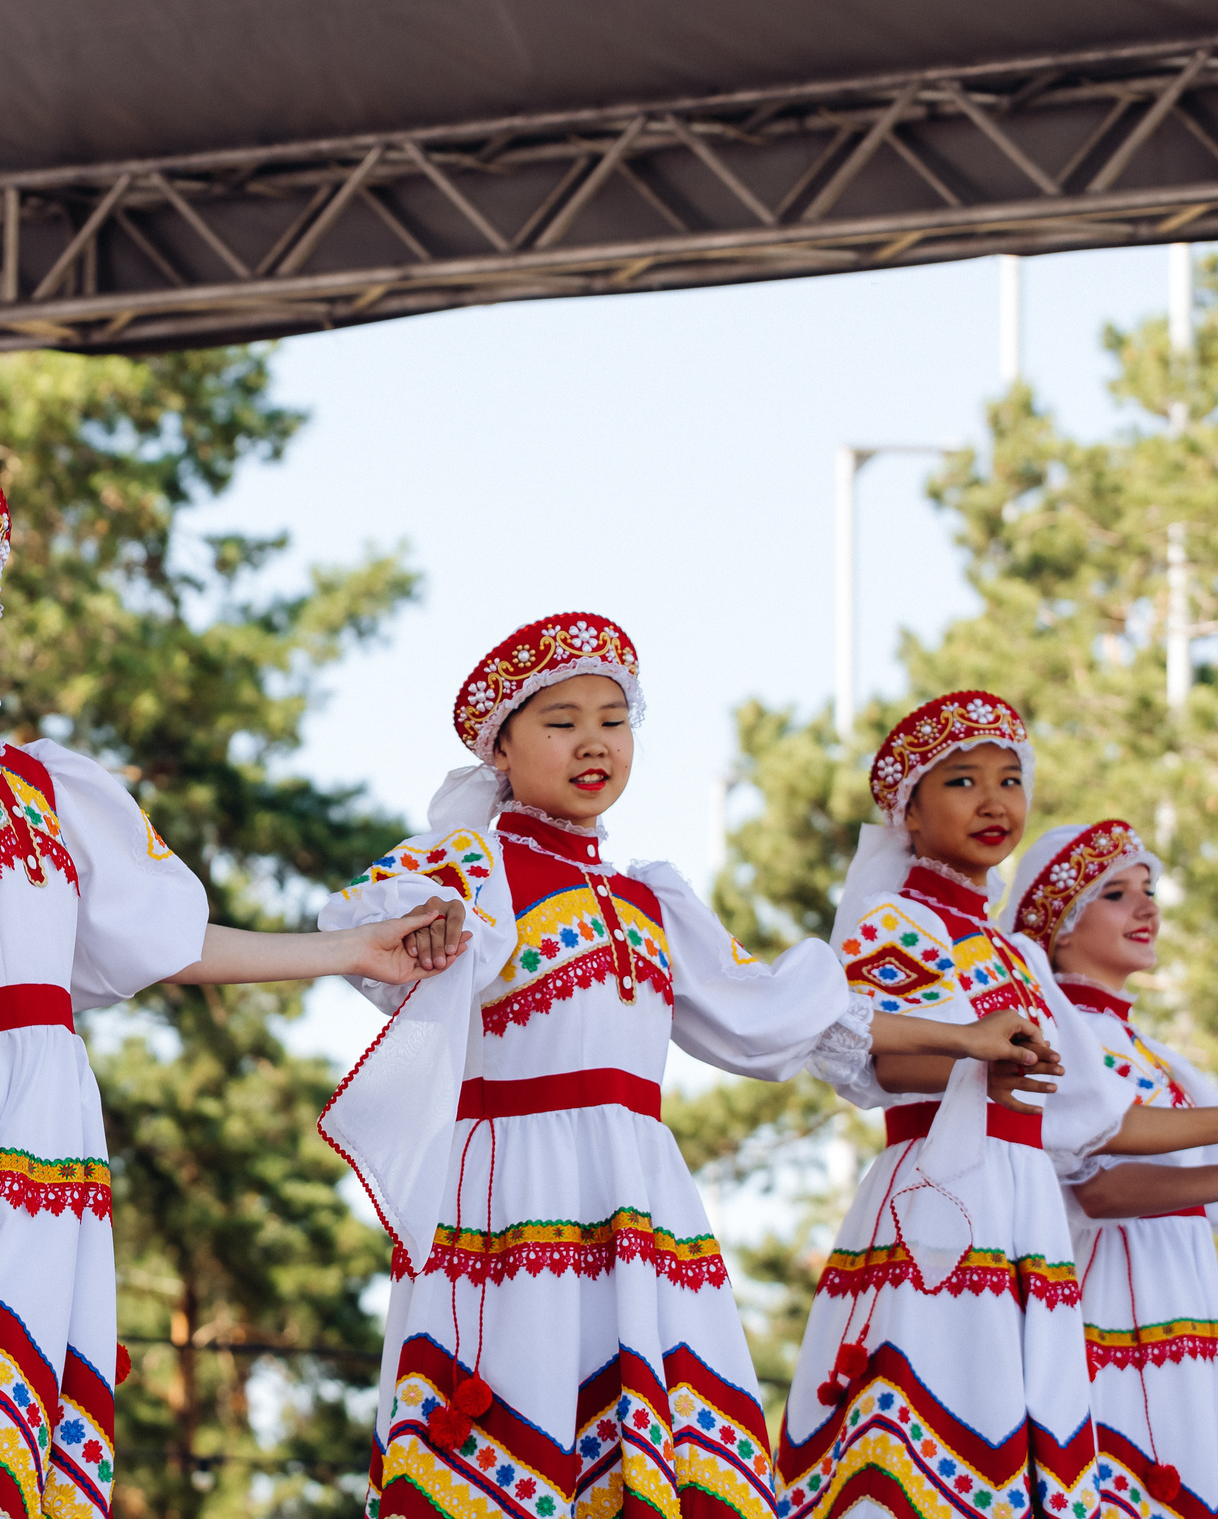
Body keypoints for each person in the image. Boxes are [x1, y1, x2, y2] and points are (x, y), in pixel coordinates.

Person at [0, 446, 469, 1519]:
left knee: (15, 1404)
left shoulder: (56, 784)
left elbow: (173, 942)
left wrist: (348, 952)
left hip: (46, 1111)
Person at [316, 619, 1048, 1519]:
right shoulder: (473, 869)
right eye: (561, 721)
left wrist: (966, 1040)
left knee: (660, 1456)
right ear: (500, 747)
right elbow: (360, 927)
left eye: (614, 720)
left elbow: (792, 1018)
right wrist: (427, 920)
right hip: (515, 1193)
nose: (594, 742)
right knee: (516, 1434)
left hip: (638, 1198)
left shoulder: (648, 899)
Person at [779, 695, 1218, 1519]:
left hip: (1023, 1209)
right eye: (962, 781)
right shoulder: (898, 921)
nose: (994, 801)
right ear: (909, 812)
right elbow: (867, 1053)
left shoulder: (1016, 953)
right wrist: (968, 1047)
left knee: (1020, 1452)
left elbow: (1102, 1124)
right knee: (932, 1430)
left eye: (1010, 779)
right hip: (942, 1191)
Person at [1014, 820, 1218, 1518]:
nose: (1148, 908)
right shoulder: (1061, 1037)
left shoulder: (1166, 1060)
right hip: (1110, 1309)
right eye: (1116, 893)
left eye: (1149, 890)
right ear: (1061, 928)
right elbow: (1099, 1190)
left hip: (1182, 1313)